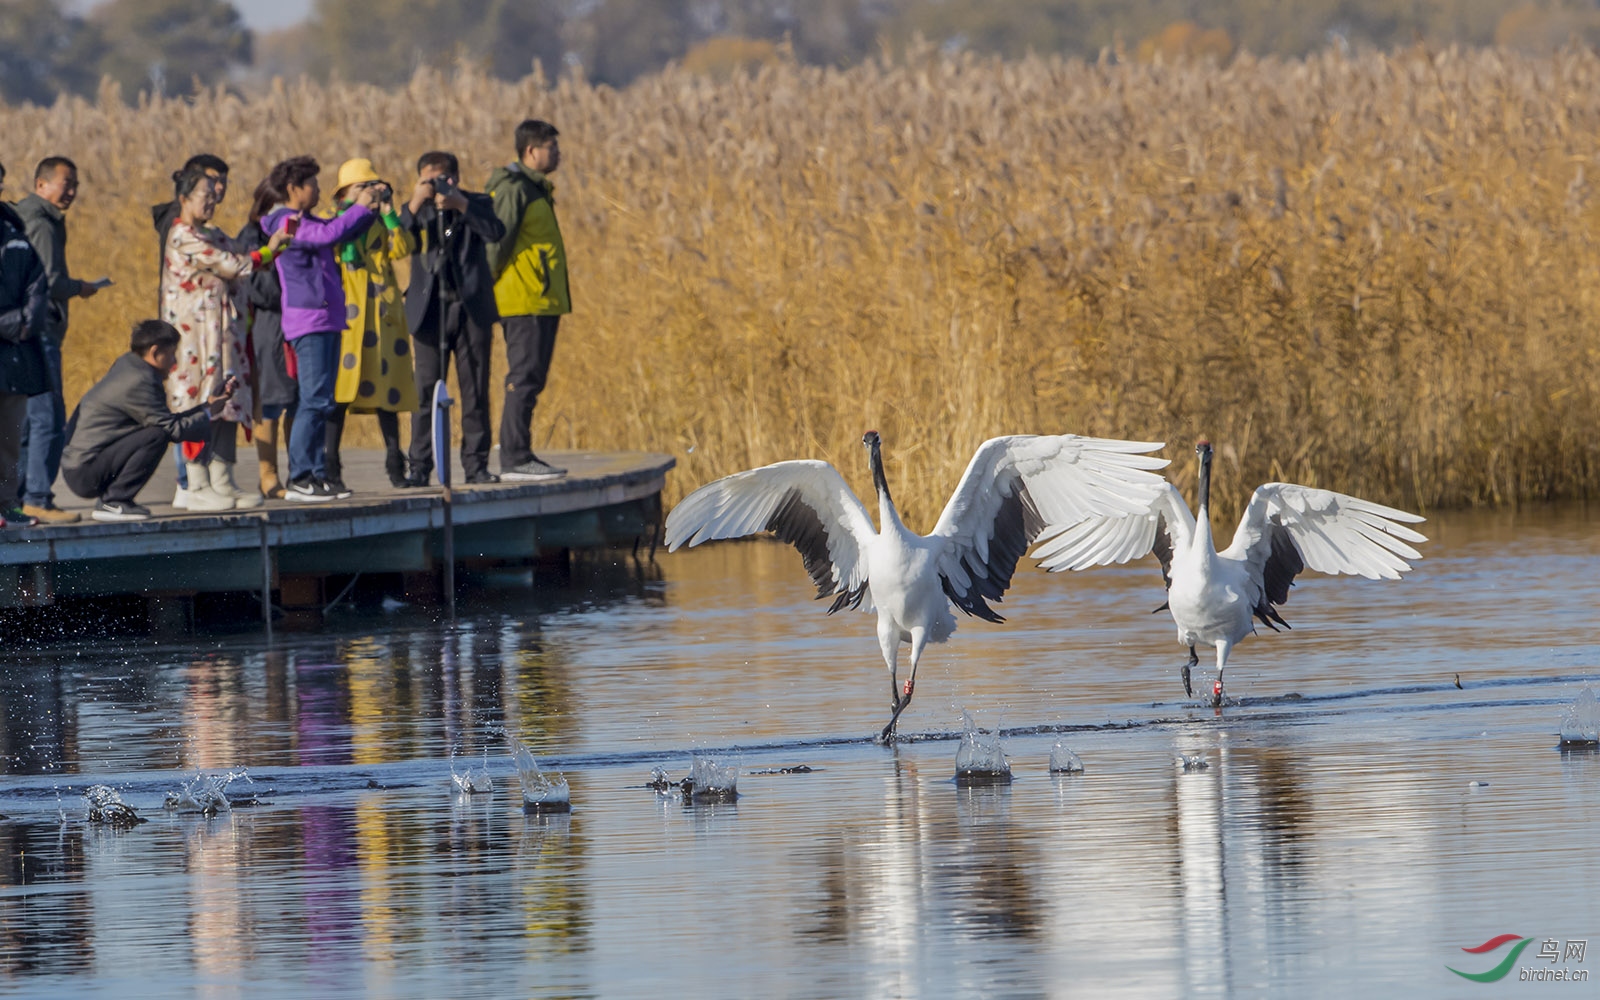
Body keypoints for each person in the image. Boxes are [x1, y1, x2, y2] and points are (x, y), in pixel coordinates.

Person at [162, 163, 281, 511]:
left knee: (228, 401)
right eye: (205, 195)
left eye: (215, 195)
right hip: (194, 339)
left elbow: (239, 257)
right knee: (198, 403)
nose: (212, 201)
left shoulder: (213, 233)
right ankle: (195, 483)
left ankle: (222, 480)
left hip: (224, 337)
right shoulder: (183, 235)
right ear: (184, 198)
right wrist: (272, 249)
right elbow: (236, 266)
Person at [260, 156, 381, 501]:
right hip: (309, 321)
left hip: (326, 318)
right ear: (292, 189)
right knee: (313, 400)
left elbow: (340, 233)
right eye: (311, 183)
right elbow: (327, 234)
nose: (317, 189)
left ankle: (316, 474)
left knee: (323, 400)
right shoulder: (284, 222)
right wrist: (358, 206)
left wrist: (369, 209)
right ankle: (300, 476)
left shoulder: (307, 219)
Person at [61, 320, 243, 522]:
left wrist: (207, 406)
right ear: (155, 352)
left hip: (82, 466)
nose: (174, 362)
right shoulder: (140, 380)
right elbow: (170, 429)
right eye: (172, 354)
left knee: (157, 431)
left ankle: (114, 501)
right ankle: (114, 501)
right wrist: (208, 412)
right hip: (85, 472)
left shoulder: (129, 365)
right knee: (157, 435)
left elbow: (167, 421)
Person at [399, 150, 506, 486]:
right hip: (429, 312)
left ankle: (475, 465)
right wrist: (416, 202)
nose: (437, 187)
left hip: (470, 310)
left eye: (442, 179)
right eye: (428, 180)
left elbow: (495, 231)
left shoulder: (476, 203)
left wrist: (460, 204)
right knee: (424, 391)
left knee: (475, 389)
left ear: (456, 178)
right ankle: (419, 466)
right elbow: (397, 238)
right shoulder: (417, 211)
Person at [13, 156, 108, 523]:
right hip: (38, 333)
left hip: (24, 333)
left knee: (29, 420)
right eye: (65, 183)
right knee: (48, 418)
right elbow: (50, 282)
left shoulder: (25, 217)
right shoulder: (41, 220)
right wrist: (82, 288)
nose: (71, 192)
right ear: (41, 185)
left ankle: (23, 497)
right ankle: (37, 497)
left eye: (75, 185)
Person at [326, 158, 416, 489]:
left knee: (386, 394)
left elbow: (404, 247)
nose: (369, 192)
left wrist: (389, 209)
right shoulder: (337, 220)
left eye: (372, 186)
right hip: (349, 315)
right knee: (340, 393)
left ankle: (396, 465)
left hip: (381, 316)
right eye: (361, 186)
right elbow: (340, 250)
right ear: (345, 194)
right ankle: (330, 469)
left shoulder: (381, 220)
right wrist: (357, 210)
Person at [488, 120, 570, 482]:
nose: (557, 152)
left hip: (541, 299)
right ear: (530, 151)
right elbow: (496, 243)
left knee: (532, 379)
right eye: (551, 146)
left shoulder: (536, 188)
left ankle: (520, 454)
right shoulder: (515, 189)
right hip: (523, 299)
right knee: (522, 378)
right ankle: (515, 458)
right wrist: (482, 291)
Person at [239, 178, 295, 499]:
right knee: (270, 399)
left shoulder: (302, 232)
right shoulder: (252, 236)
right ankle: (268, 474)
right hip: (268, 320)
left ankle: (297, 470)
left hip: (296, 319)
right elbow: (259, 287)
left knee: (297, 398)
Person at [0, 163, 49, 529]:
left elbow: (37, 283)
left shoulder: (13, 229)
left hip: (13, 356)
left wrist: (21, 323)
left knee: (9, 438)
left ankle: (6, 505)